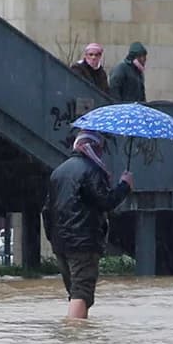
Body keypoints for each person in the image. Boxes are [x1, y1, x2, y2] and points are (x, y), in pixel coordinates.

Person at [45, 131, 133, 320]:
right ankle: (75, 336)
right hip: (83, 242)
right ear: (93, 148)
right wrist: (124, 186)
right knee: (82, 292)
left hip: (60, 243)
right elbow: (106, 201)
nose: (101, 153)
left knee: (75, 292)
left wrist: (52, 237)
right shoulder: (91, 170)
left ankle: (77, 337)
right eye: (100, 149)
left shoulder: (58, 172)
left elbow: (47, 210)